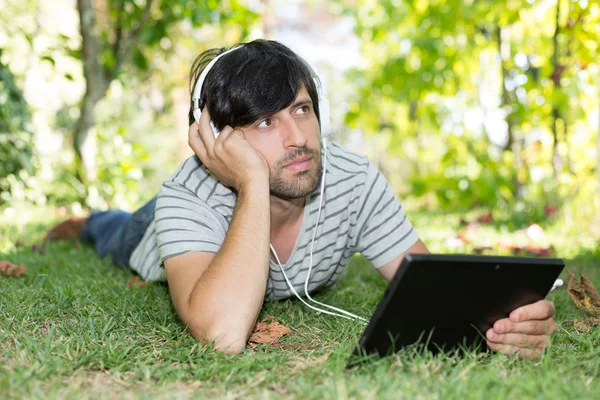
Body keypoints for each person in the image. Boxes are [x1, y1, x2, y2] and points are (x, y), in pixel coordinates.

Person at [46, 39, 556, 358]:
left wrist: (506, 324)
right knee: (112, 231)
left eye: (302, 109)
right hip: (149, 232)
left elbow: (436, 292)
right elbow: (222, 334)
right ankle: (83, 220)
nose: (298, 137)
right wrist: (250, 184)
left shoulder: (353, 180)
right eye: (265, 121)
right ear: (216, 137)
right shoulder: (187, 195)